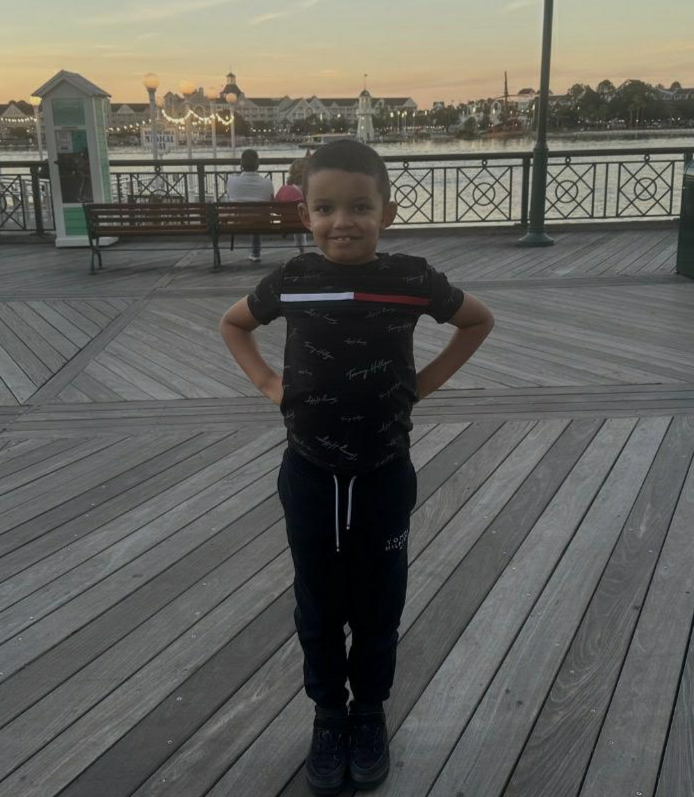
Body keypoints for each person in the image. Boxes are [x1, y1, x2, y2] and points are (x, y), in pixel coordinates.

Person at [218, 140, 494, 795]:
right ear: (304, 216)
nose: (344, 220)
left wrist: (416, 386)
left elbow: (477, 321)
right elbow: (234, 324)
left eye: (360, 207)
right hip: (309, 470)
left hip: (382, 470)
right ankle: (327, 714)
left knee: (377, 600)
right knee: (317, 601)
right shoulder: (292, 280)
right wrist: (269, 384)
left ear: (387, 212)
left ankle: (368, 711)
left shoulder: (412, 280)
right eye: (327, 208)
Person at [225, 148, 274, 262]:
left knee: (250, 213)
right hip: (262, 222)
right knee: (256, 215)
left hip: (237, 220)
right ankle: (255, 252)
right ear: (258, 163)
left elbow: (229, 198)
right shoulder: (267, 183)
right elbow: (271, 203)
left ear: (241, 163)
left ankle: (255, 252)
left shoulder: (231, 181)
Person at [275, 158, 309, 254]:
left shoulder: (283, 189)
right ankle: (302, 249)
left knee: (298, 217)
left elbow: (276, 205)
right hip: (305, 222)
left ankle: (300, 249)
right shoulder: (309, 190)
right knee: (302, 216)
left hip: (286, 222)